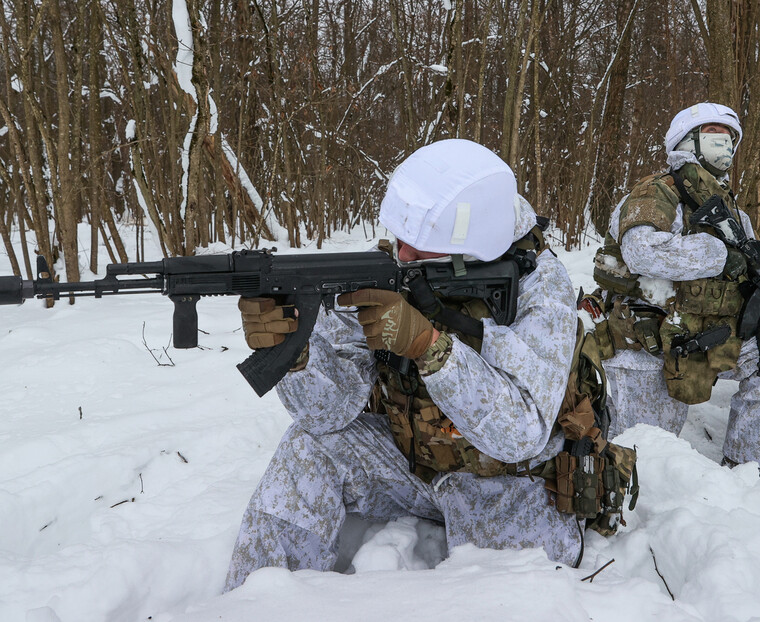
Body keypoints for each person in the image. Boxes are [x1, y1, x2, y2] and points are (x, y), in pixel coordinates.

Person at [224, 139, 635, 591]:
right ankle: (252, 602)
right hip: (412, 466)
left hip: (511, 488)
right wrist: (296, 355)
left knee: (506, 601)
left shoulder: (541, 287)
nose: (401, 256)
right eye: (402, 241)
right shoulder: (406, 253)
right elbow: (328, 415)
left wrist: (431, 348)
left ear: (468, 245)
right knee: (308, 446)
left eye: (419, 250)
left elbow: (522, 434)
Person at [588, 102, 760, 497]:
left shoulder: (731, 209)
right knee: (643, 460)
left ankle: (752, 461)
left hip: (710, 334)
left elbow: (747, 273)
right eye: (716, 136)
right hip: (648, 342)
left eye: (730, 139)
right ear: (688, 140)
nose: (726, 147)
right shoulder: (657, 192)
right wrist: (718, 253)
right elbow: (641, 251)